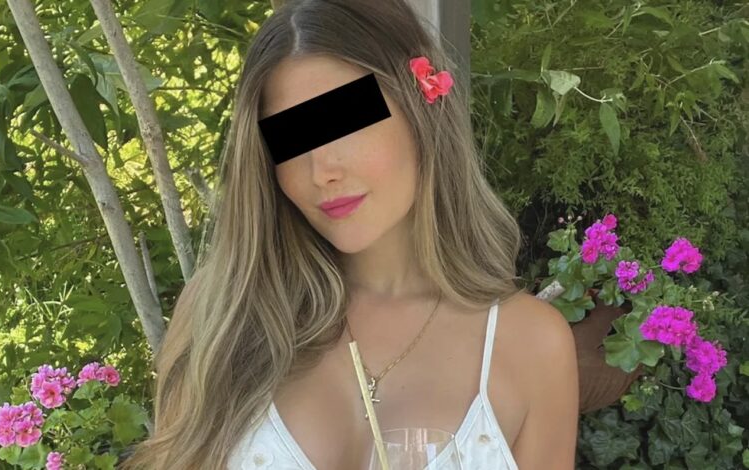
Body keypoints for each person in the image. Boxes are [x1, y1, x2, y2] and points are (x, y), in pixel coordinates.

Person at [118, 1, 579, 469]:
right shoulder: (220, 317)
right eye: (291, 139)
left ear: (421, 112)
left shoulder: (531, 345)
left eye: (345, 123)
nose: (322, 172)